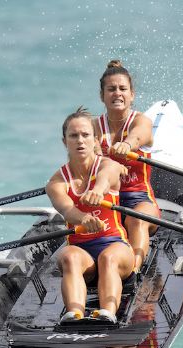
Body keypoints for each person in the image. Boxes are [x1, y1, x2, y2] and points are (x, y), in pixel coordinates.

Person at [46, 107, 135, 324]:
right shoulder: (56, 182)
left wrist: (97, 191)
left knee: (108, 258)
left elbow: (106, 178)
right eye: (73, 135)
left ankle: (108, 314)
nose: (80, 141)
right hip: (82, 251)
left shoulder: (109, 165)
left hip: (116, 246)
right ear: (64, 141)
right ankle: (74, 315)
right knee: (68, 256)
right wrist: (83, 219)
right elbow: (67, 209)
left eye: (86, 135)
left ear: (95, 139)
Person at [94, 60, 161, 272]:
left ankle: (133, 270)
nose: (117, 93)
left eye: (123, 89)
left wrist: (127, 145)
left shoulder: (141, 121)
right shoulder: (93, 127)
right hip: (106, 203)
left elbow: (140, 134)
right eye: (111, 89)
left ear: (132, 95)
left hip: (140, 201)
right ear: (102, 95)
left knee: (135, 218)